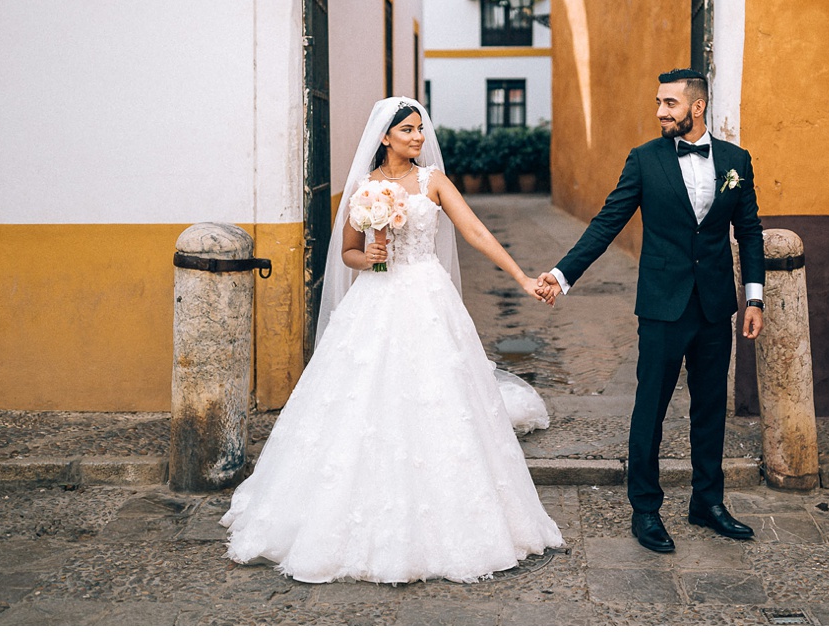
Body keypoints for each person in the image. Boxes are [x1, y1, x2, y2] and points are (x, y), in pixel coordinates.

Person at [221, 96, 563, 584]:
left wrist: (522, 277)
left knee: (439, 399)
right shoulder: (365, 189)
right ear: (384, 137)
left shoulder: (434, 181)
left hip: (428, 298)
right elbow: (349, 255)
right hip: (376, 300)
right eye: (407, 130)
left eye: (421, 129)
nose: (418, 137)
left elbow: (475, 232)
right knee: (361, 400)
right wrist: (374, 256)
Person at [539, 68, 766, 554]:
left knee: (709, 410)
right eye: (659, 103)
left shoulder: (735, 161)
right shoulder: (644, 160)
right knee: (651, 409)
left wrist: (754, 298)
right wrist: (561, 275)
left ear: (697, 107)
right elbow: (607, 223)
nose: (661, 111)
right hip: (663, 307)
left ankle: (708, 503)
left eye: (670, 103)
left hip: (714, 308)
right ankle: (645, 509)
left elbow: (748, 230)